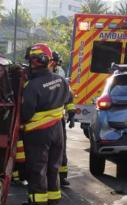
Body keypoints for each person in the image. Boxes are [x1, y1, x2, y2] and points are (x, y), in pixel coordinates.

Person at [20, 43, 73, 205]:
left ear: (37, 61)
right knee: (53, 168)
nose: (31, 64)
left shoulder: (32, 86)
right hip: (57, 130)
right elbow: (66, 100)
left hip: (37, 133)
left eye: (32, 61)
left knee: (37, 170)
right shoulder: (61, 81)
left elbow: (25, 113)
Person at [50, 51, 75, 186]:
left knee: (60, 149)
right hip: (49, 121)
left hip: (57, 119)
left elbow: (69, 97)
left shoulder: (59, 75)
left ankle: (62, 176)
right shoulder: (39, 76)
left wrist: (71, 113)